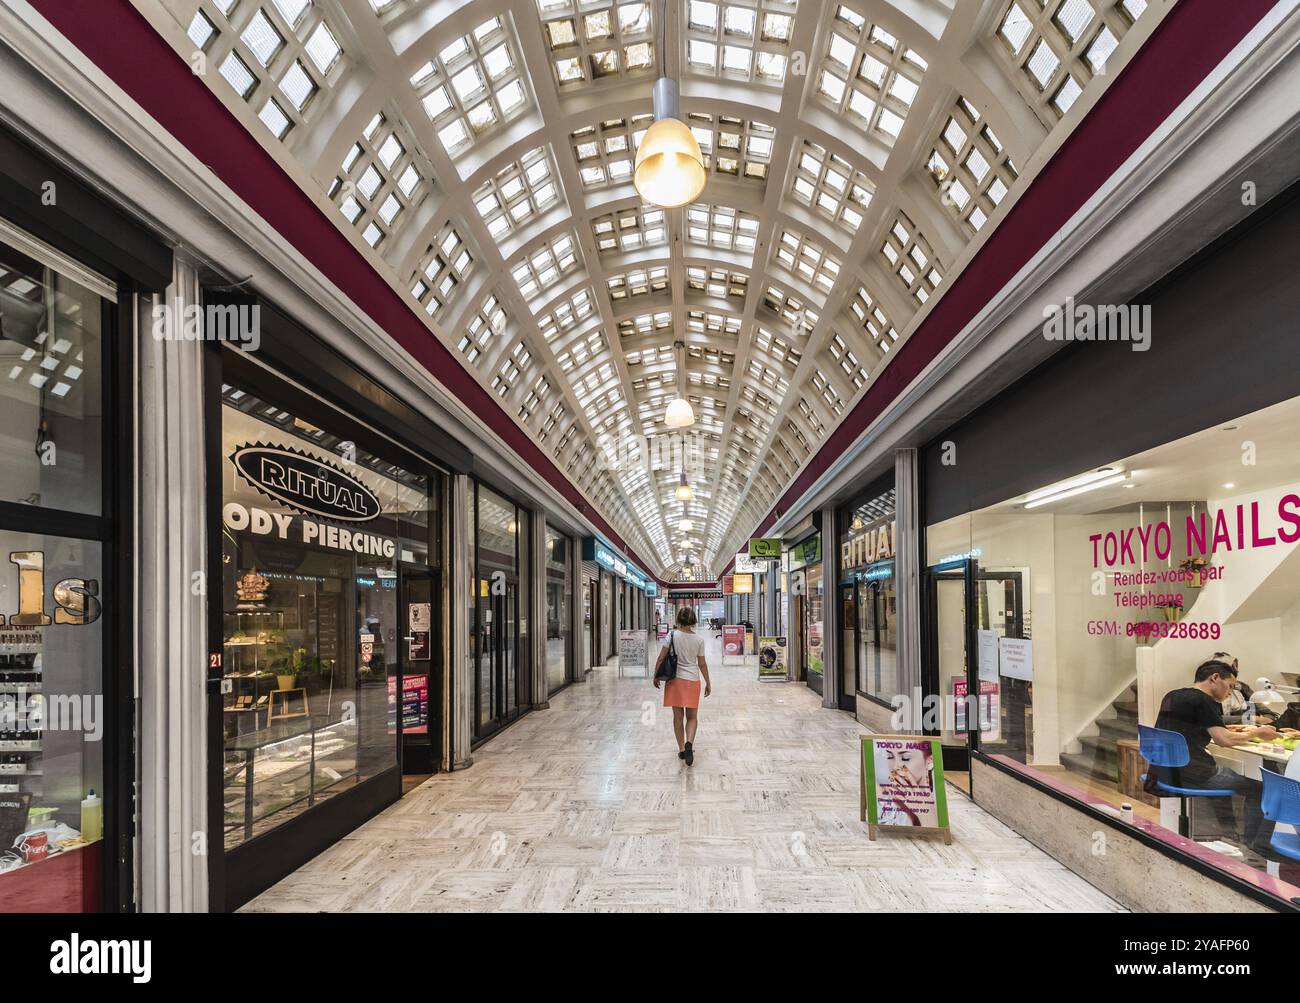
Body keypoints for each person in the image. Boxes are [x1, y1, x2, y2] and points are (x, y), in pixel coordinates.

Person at [1151, 658, 1279, 858]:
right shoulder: (1204, 701)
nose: (1230, 693)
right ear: (1215, 678)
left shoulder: (1172, 695)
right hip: (1193, 773)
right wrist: (1257, 732)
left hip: (1165, 771)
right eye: (1230, 687)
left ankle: (1231, 835)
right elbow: (1223, 739)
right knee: (1266, 790)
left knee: (1228, 775)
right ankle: (1257, 847)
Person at [652, 605, 712, 766]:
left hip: (674, 681)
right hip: (693, 680)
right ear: (693, 621)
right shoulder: (699, 640)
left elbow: (661, 658)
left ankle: (681, 749)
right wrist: (708, 682)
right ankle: (689, 743)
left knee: (678, 717)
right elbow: (702, 663)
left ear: (679, 619)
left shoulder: (671, 635)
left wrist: (656, 675)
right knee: (692, 717)